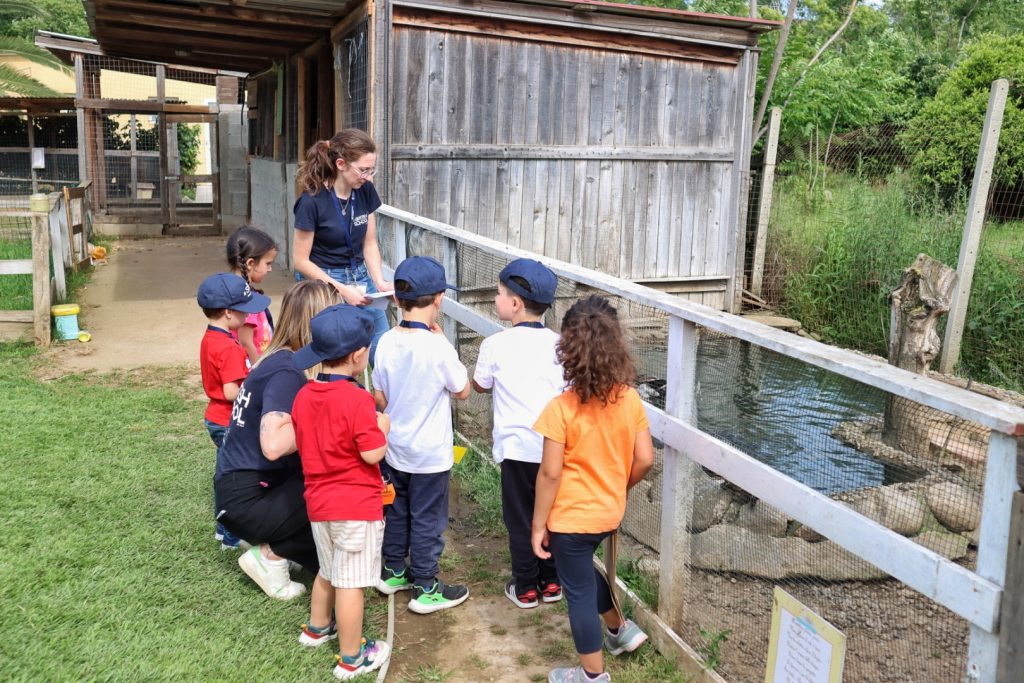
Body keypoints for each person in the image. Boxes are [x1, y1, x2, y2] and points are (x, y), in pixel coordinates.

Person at [531, 296, 655, 683]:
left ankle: (592, 676)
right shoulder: (630, 399)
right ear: (616, 345)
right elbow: (646, 459)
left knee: (578, 593)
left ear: (567, 349)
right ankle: (621, 630)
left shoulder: (561, 408)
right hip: (607, 513)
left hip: (571, 520)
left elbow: (550, 475)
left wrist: (538, 526)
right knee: (583, 572)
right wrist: (619, 486)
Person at [215, 280, 338, 601]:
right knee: (336, 492)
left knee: (327, 547)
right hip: (250, 498)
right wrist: (328, 417)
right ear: (318, 321)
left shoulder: (278, 359)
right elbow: (273, 444)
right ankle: (272, 555)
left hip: (240, 491)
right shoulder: (287, 372)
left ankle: (284, 544)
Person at [291, 304, 392, 680]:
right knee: (352, 583)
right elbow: (371, 453)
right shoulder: (357, 400)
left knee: (328, 570)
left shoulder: (303, 395)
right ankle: (353, 656)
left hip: (318, 502)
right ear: (358, 355)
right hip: (354, 505)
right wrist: (382, 426)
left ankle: (317, 628)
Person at [371, 256, 471, 614]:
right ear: (439, 299)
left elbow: (380, 397)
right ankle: (426, 585)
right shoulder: (437, 347)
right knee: (428, 518)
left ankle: (394, 570)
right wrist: (448, 348)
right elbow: (462, 390)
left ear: (396, 299)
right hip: (430, 454)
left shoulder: (383, 342)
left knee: (396, 511)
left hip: (395, 448)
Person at [472, 258, 564, 609]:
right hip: (552, 449)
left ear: (515, 303)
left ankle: (525, 585)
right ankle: (552, 581)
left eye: (498, 293)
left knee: (519, 517)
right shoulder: (560, 346)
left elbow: (480, 386)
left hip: (515, 449)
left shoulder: (495, 345)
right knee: (550, 513)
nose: (496, 300)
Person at [293, 128, 391, 364]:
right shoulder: (311, 201)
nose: (368, 177)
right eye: (363, 170)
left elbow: (369, 243)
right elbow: (300, 261)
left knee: (382, 345)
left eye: (371, 169)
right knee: (333, 355)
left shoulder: (365, 190)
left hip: (359, 276)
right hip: (324, 280)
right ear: (340, 164)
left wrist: (378, 281)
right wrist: (341, 290)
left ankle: (383, 398)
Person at [197, 272, 269, 550]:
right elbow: (231, 392)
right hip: (229, 421)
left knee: (224, 474)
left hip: (214, 417)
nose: (248, 317)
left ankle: (223, 530)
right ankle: (232, 536)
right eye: (244, 311)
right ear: (228, 313)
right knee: (238, 480)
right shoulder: (229, 347)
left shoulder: (210, 339)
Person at [226, 226, 278, 363]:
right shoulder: (244, 299)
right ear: (250, 263)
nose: (270, 269)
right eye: (268, 264)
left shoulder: (241, 291)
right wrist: (258, 372)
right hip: (251, 369)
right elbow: (246, 343)